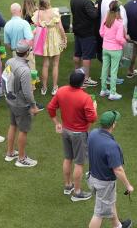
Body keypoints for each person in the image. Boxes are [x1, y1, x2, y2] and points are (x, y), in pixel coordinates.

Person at [48, 69, 97, 202]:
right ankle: (77, 192)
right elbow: (92, 119)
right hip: (79, 134)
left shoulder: (61, 91)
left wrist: (57, 123)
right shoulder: (85, 98)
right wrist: (95, 108)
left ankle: (68, 185)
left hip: (65, 131)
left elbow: (50, 108)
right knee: (79, 163)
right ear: (82, 83)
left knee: (68, 158)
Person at [87, 110, 134, 228]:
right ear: (113, 125)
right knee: (99, 214)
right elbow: (118, 170)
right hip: (104, 183)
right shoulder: (111, 146)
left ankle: (117, 225)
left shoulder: (93, 133)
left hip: (92, 177)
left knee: (109, 201)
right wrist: (128, 185)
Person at [3, 40, 40, 167]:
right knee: (23, 130)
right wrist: (34, 106)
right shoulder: (25, 70)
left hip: (10, 100)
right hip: (21, 105)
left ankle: (10, 152)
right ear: (27, 52)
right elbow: (27, 93)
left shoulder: (9, 61)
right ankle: (21, 159)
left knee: (13, 125)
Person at [31, 0, 65, 94]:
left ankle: (44, 88)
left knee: (45, 65)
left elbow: (36, 26)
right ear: (48, 3)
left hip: (44, 39)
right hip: (54, 38)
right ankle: (54, 87)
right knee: (55, 64)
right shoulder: (54, 12)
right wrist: (63, 38)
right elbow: (61, 28)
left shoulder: (38, 14)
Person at [70, 0, 100, 86]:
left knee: (77, 53)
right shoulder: (86, 1)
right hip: (87, 32)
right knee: (86, 56)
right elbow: (94, 15)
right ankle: (85, 79)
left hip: (77, 30)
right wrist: (95, 8)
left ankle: (77, 74)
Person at [99, 0, 126, 101]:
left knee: (104, 68)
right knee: (114, 71)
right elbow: (119, 38)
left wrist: (108, 39)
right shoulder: (119, 23)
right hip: (115, 49)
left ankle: (103, 90)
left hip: (105, 47)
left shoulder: (106, 19)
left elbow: (101, 32)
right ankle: (112, 93)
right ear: (118, 11)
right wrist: (124, 42)